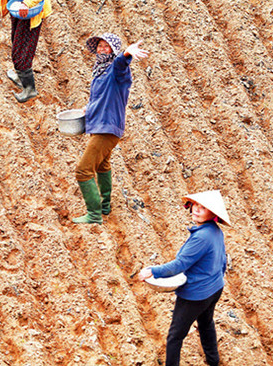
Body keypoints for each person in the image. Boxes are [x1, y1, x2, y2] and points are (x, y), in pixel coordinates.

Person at [137, 190, 230, 366]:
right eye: (196, 205)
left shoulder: (201, 237)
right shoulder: (215, 232)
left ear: (213, 214)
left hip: (196, 295)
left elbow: (179, 265)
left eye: (203, 208)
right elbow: (222, 261)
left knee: (175, 336)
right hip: (215, 288)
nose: (197, 209)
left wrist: (152, 271)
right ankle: (213, 360)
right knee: (206, 323)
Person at [73, 33, 148, 224]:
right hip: (100, 124)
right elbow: (101, 98)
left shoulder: (116, 71)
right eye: (100, 46)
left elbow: (120, 66)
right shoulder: (100, 71)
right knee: (102, 165)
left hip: (107, 127)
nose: (102, 49)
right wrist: (88, 108)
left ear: (114, 50)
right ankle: (105, 206)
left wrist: (126, 55)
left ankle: (94, 214)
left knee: (83, 170)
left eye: (107, 46)